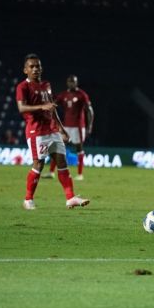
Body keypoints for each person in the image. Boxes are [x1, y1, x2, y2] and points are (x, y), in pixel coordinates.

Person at [15, 53, 89, 210]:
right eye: (32, 66)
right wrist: (42, 107)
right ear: (25, 70)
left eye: (38, 66)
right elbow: (21, 108)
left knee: (62, 162)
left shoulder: (46, 85)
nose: (35, 69)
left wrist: (62, 129)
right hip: (36, 131)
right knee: (39, 164)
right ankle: (28, 200)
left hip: (52, 130)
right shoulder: (23, 87)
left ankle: (70, 198)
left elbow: (52, 109)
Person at [44, 75, 94, 180]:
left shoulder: (82, 95)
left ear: (76, 83)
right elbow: (54, 104)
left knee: (79, 148)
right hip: (66, 126)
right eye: (69, 82)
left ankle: (80, 174)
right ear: (67, 83)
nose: (71, 83)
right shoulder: (64, 94)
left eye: (73, 82)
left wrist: (90, 125)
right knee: (58, 147)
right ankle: (51, 172)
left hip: (78, 127)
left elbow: (89, 110)